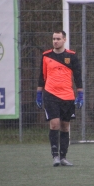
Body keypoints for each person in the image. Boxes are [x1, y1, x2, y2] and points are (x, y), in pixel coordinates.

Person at [36, 30, 83, 167]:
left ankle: (63, 157)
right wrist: (39, 94)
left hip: (67, 96)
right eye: (53, 39)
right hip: (50, 94)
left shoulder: (72, 56)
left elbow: (78, 76)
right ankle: (55, 156)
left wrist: (80, 94)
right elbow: (42, 76)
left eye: (58, 38)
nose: (55, 41)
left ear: (64, 40)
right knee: (54, 123)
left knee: (65, 126)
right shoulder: (46, 56)